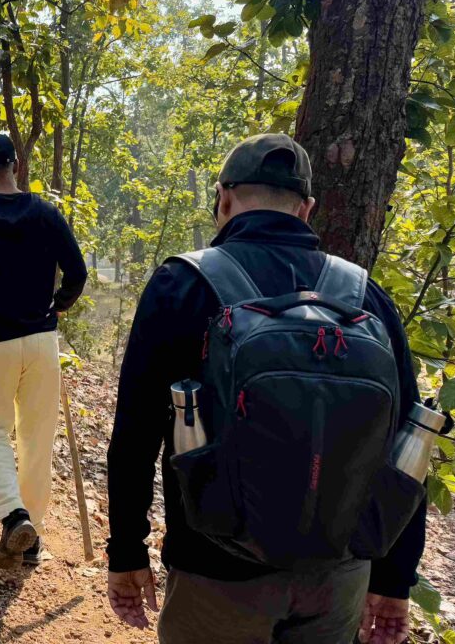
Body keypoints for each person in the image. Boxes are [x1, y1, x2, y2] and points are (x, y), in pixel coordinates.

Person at [106, 134, 426, 644]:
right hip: (338, 575)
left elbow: (135, 437)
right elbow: (409, 442)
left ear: (224, 199)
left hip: (215, 573)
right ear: (307, 209)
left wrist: (126, 551)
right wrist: (394, 579)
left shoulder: (182, 284)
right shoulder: (365, 294)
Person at [0, 134, 88, 570]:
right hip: (42, 340)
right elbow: (78, 271)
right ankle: (31, 540)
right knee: (36, 439)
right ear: (17, 163)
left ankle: (14, 517)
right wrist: (59, 305)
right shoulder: (46, 214)